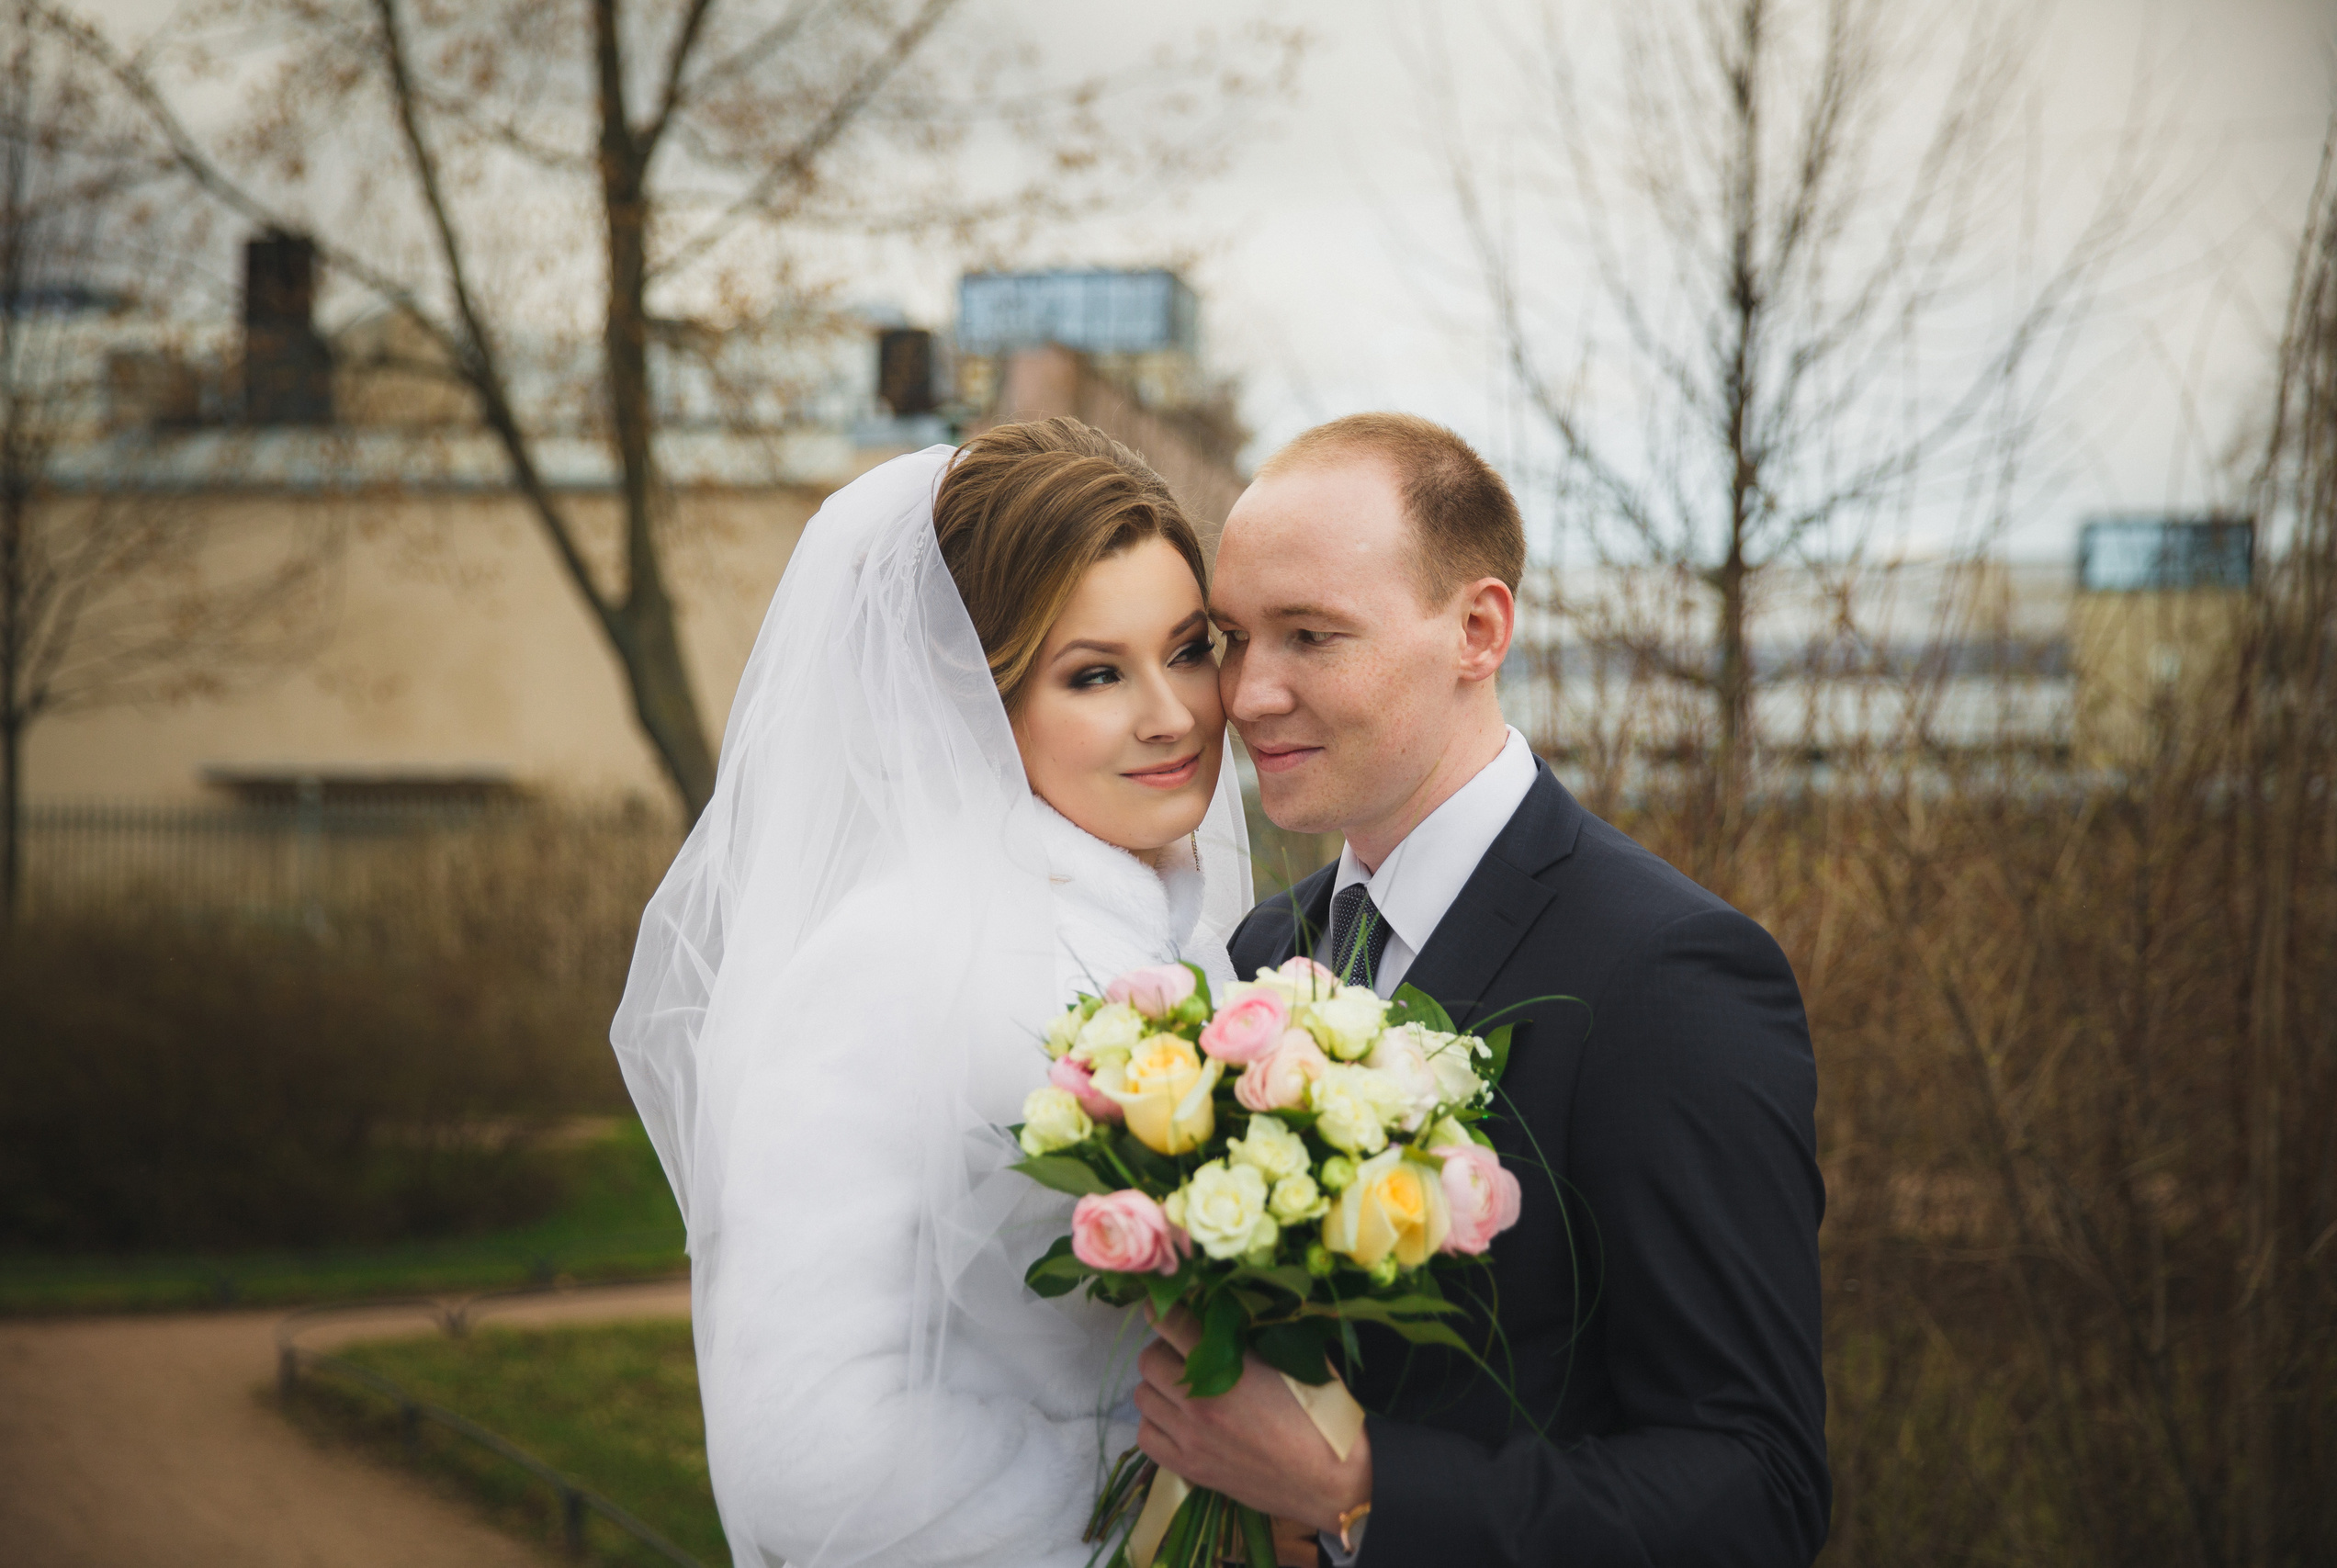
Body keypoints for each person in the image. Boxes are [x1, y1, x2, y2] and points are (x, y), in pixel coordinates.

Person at [1128, 413, 1830, 1567]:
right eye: (1230, 639)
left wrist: (1361, 1492)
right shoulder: (1263, 955)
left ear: (1476, 628)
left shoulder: (1669, 979)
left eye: (1310, 636)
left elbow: (1758, 1488)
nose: (1248, 696)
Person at [610, 418, 1252, 1568]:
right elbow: (806, 1451)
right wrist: (1133, 1518)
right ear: (976, 697)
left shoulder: (1196, 944)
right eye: (1095, 673)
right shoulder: (892, 963)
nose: (1174, 714)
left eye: (1191, 648)